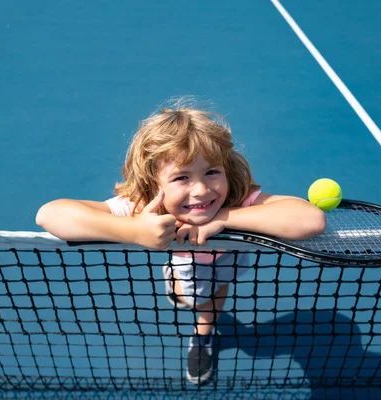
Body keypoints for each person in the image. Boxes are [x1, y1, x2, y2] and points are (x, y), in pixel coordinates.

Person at [35, 101, 326, 384]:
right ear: (152, 183)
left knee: (220, 284)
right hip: (189, 261)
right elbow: (50, 214)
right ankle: (176, 281)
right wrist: (135, 231)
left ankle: (203, 334)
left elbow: (311, 220)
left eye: (212, 172)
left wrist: (224, 218)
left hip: (230, 255)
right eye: (181, 177)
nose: (201, 190)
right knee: (193, 298)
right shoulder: (142, 206)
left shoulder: (237, 199)